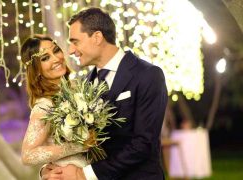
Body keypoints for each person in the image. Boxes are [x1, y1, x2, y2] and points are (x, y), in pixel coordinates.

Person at [42, 7, 168, 180]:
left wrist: (85, 174)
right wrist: (51, 170)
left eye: (75, 41)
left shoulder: (147, 74)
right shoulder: (85, 83)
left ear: (97, 37)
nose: (70, 50)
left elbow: (143, 143)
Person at [20, 35, 89, 170]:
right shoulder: (45, 106)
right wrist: (78, 146)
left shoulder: (77, 88)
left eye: (56, 50)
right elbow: (27, 155)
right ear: (36, 69)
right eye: (45, 58)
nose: (56, 58)